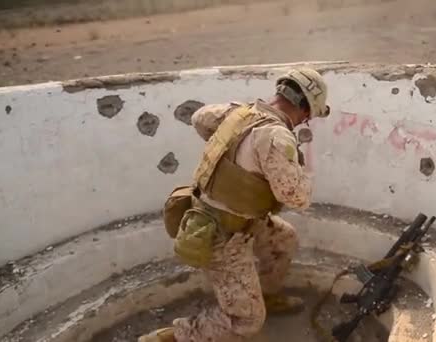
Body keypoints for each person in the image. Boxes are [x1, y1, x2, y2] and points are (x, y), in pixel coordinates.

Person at [139, 67, 330, 342]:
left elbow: (199, 118)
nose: (305, 122)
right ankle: (172, 336)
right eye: (309, 117)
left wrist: (230, 151)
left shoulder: (240, 113)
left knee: (283, 240)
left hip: (229, 217)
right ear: (305, 110)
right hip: (223, 235)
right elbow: (295, 196)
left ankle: (264, 296)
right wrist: (301, 172)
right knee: (247, 321)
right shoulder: (276, 136)